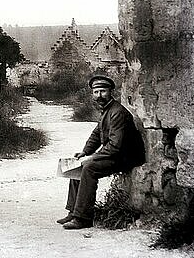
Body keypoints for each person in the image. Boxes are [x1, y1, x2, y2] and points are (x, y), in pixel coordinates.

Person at [57, 74, 145, 230]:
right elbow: (96, 134)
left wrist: (92, 157)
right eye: (96, 92)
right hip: (116, 154)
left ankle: (83, 218)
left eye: (103, 91)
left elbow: (115, 146)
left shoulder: (117, 112)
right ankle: (73, 210)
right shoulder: (106, 110)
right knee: (77, 165)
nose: (99, 95)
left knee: (89, 168)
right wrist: (84, 153)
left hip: (126, 157)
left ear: (111, 91)